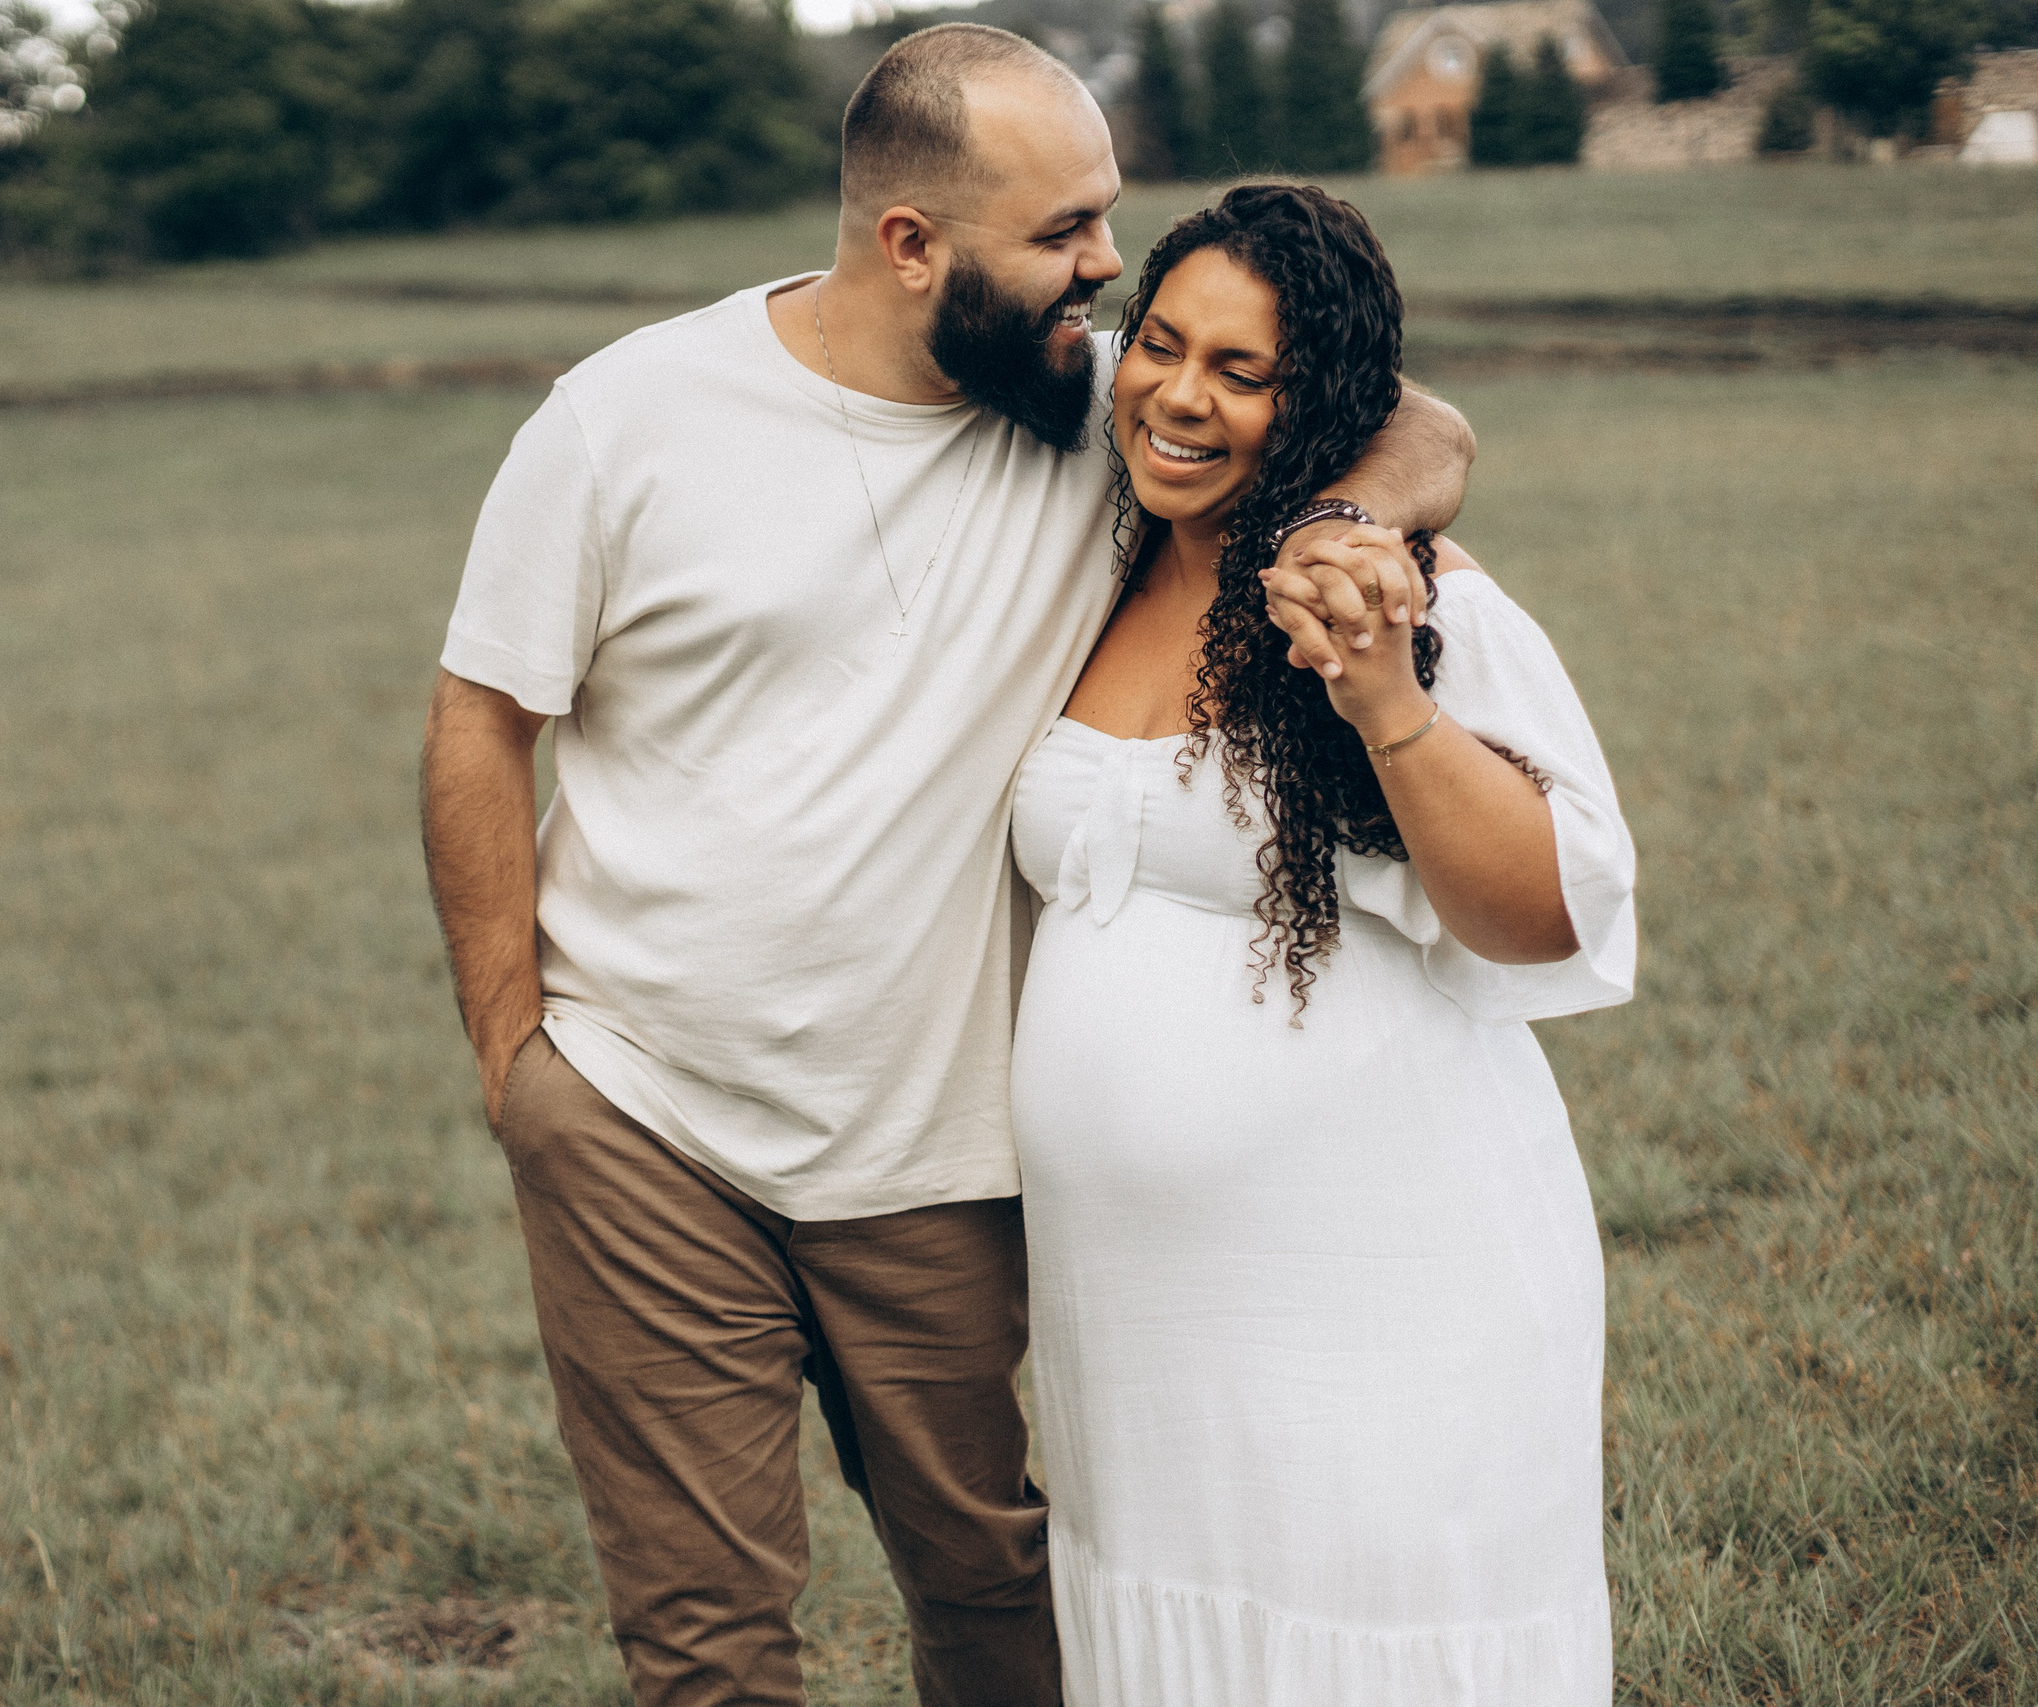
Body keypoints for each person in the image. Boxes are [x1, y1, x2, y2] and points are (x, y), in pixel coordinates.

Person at [419, 28, 1475, 1707]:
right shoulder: (626, 420)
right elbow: (482, 718)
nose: (1107, 269)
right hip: (641, 1117)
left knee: (994, 1590)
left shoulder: (1090, 402)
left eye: (1106, 219)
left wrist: (1352, 521)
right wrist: (511, 1057)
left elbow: (1416, 417)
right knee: (704, 1641)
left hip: (941, 1141)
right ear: (912, 243)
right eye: (1065, 231)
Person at [1008, 184, 1635, 1705]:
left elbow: (1551, 909)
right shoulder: (1091, 551)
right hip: (1139, 1334)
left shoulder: (1393, 600)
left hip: (1379, 1309)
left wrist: (1387, 703)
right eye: (1162, 345)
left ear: (1320, 401)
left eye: (1244, 371)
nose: (1181, 395)